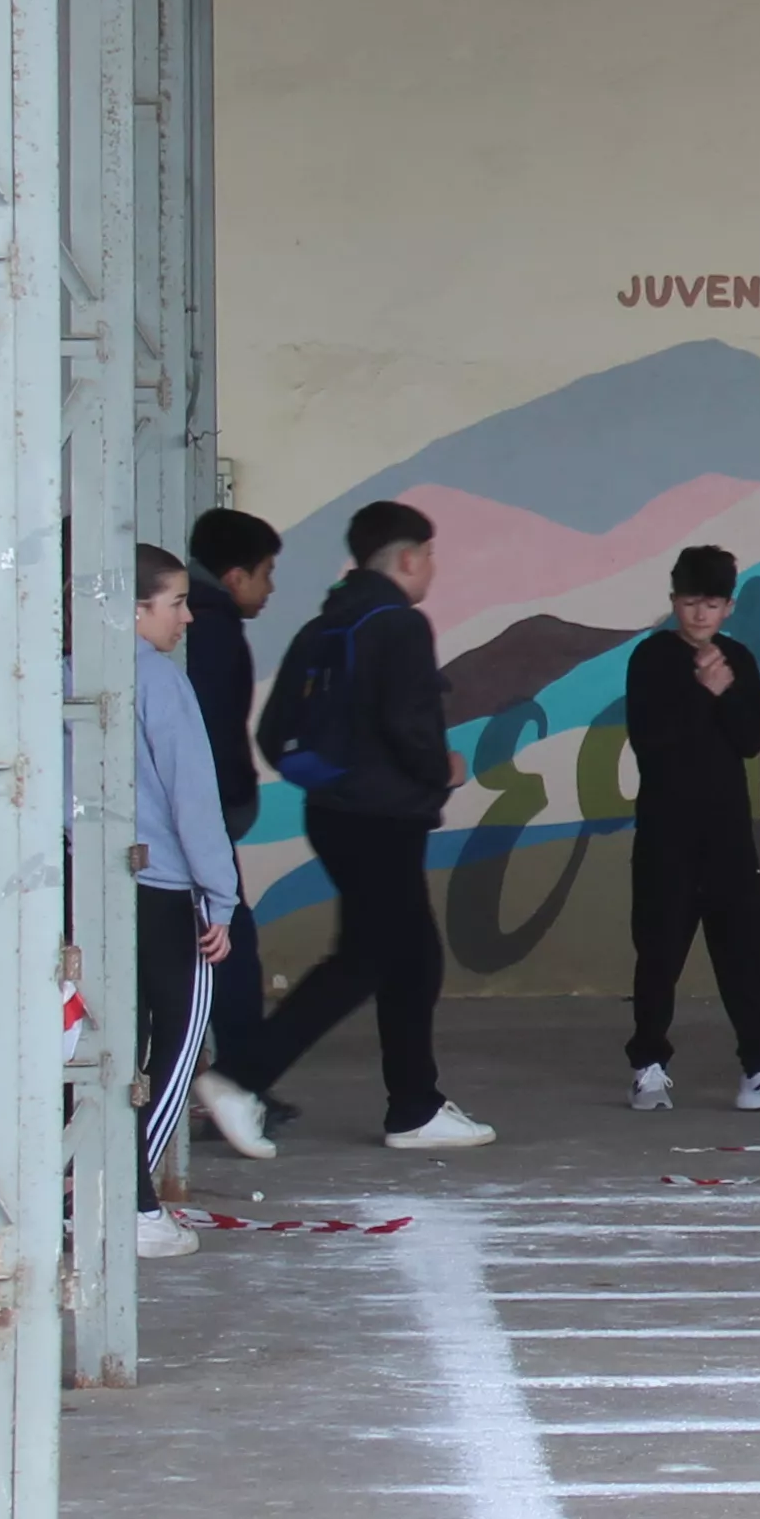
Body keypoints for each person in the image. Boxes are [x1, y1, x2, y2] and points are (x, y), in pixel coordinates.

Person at [233, 499, 488, 1151]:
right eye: (429, 555)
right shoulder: (399, 624)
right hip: (382, 818)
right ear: (407, 558)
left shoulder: (327, 622)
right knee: (369, 958)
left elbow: (274, 729)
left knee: (412, 958)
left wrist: (335, 779)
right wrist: (443, 770)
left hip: (337, 812)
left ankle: (414, 1106)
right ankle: (239, 1077)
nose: (432, 567)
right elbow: (408, 724)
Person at [618, 544, 760, 1115]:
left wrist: (725, 693)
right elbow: (651, 739)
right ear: (674, 602)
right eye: (691, 602)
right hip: (666, 833)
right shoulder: (650, 658)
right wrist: (699, 692)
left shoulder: (737, 660)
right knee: (660, 950)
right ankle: (648, 1066)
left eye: (712, 603)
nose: (700, 614)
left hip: (726, 833)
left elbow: (751, 738)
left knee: (747, 950)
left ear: (729, 607)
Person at [123, 548, 236, 1266]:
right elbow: (192, 799)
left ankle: (88, 1188)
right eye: (174, 603)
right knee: (179, 1043)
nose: (187, 617)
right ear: (136, 612)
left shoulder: (54, 674)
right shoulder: (160, 683)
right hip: (162, 889)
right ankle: (128, 1202)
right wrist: (220, 896)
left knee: (100, 1050)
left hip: (82, 889)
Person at [181, 507, 284, 1161]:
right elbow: (213, 738)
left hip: (194, 821)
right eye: (267, 575)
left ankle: (234, 1076)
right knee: (231, 947)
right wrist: (231, 805)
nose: (271, 590)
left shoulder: (206, 625)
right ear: (234, 574)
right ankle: (240, 1079)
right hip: (198, 825)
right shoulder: (213, 632)